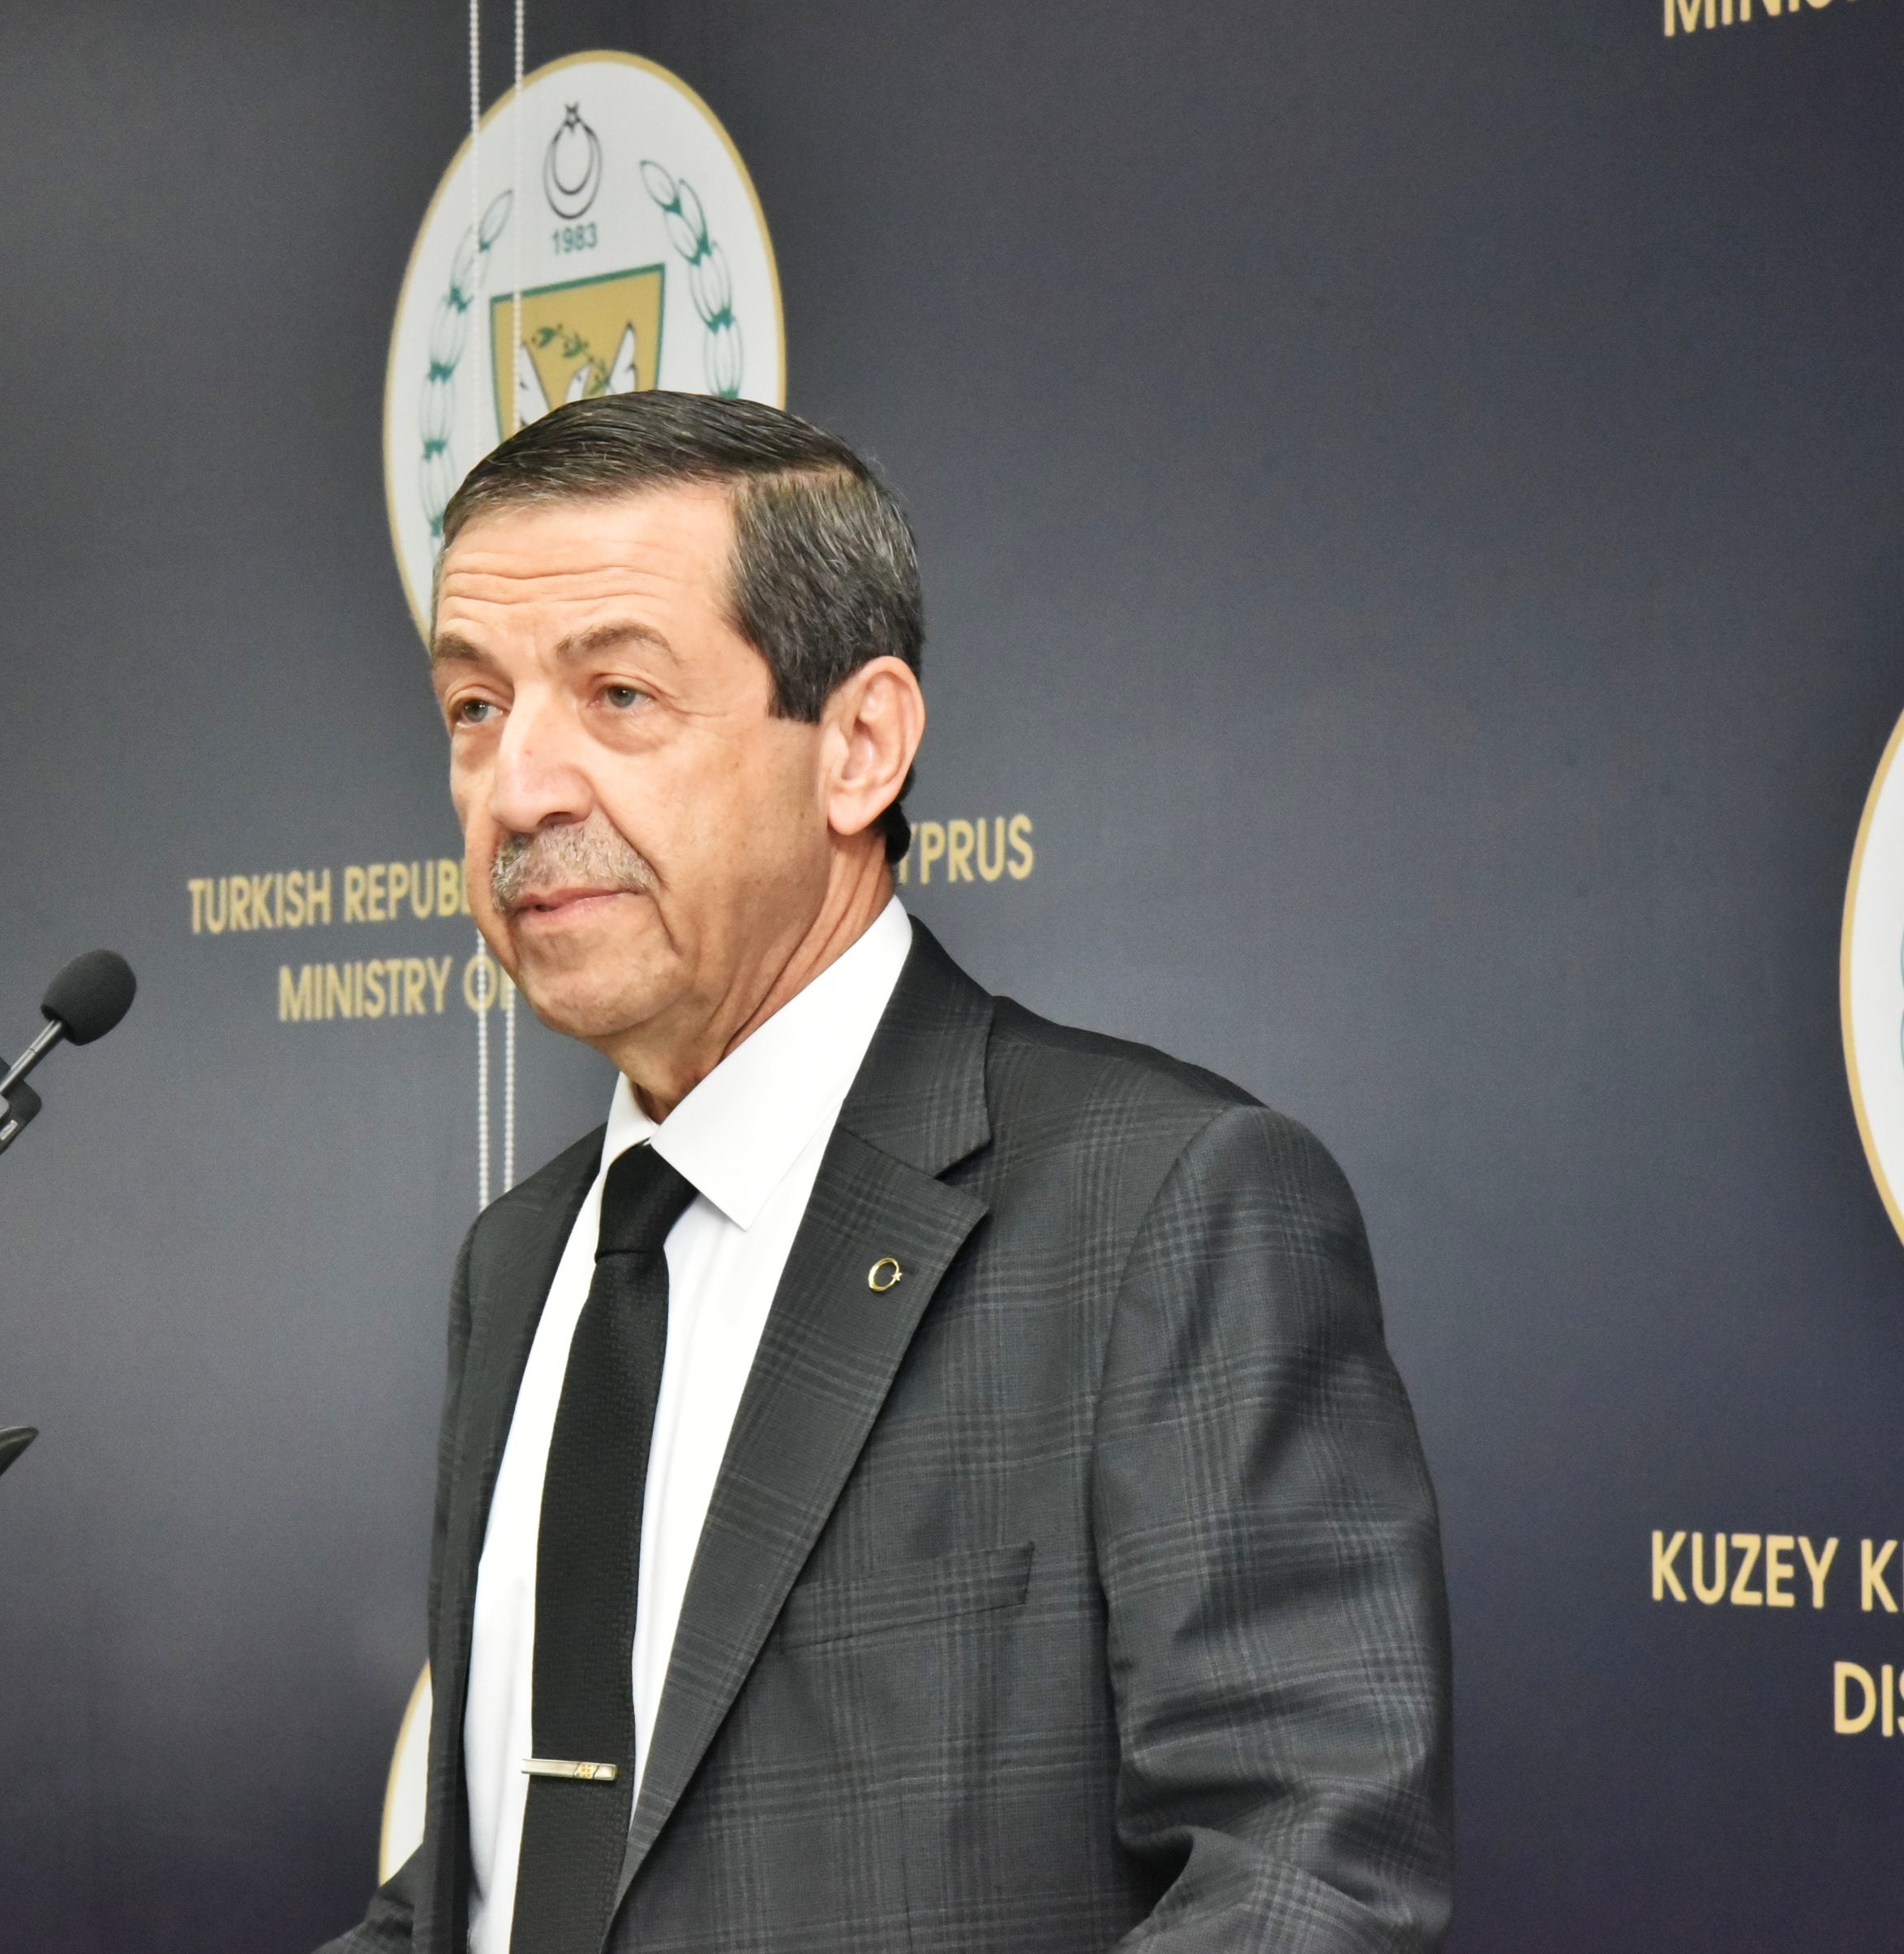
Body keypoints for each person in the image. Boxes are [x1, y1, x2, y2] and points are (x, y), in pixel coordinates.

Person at [322, 392, 1451, 1954]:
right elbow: (502, 1884)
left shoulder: (1164, 1203)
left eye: (619, 694)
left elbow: (1309, 1880)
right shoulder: (521, 1259)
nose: (518, 789)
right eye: (473, 707)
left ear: (857, 746)